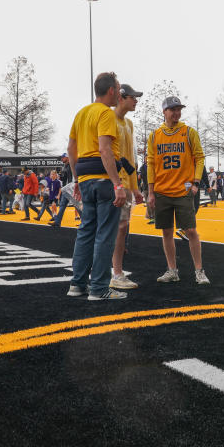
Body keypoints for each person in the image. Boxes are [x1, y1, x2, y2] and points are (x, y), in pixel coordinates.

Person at [66, 71, 128, 300]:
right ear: (111, 90)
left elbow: (71, 149)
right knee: (105, 235)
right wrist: (117, 184)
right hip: (103, 180)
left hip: (85, 178)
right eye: (118, 89)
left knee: (85, 233)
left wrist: (76, 179)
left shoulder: (81, 113)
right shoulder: (105, 114)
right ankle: (100, 288)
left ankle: (77, 284)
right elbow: (104, 149)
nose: (119, 93)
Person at [146, 95, 211, 285]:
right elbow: (150, 164)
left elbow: (199, 157)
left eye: (179, 109)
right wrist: (150, 192)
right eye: (172, 109)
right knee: (166, 232)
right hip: (162, 191)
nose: (176, 112)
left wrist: (196, 183)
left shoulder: (189, 132)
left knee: (191, 230)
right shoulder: (154, 135)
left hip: (183, 190)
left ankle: (199, 271)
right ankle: (172, 270)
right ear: (164, 112)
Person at [110, 84, 145, 290]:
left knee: (122, 229)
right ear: (122, 97)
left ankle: (117, 271)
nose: (136, 101)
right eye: (133, 97)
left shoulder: (129, 124)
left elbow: (130, 158)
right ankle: (116, 273)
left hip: (125, 183)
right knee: (115, 228)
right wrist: (117, 184)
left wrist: (135, 187)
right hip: (113, 183)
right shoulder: (109, 119)